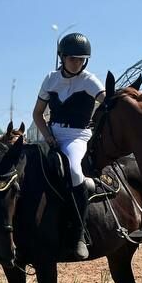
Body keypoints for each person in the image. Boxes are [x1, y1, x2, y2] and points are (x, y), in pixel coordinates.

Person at [32, 32, 104, 260]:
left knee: (73, 170)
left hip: (77, 136)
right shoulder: (50, 78)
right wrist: (48, 136)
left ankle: (79, 235)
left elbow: (107, 101)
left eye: (82, 59)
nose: (77, 63)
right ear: (62, 57)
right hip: (52, 134)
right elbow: (37, 114)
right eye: (73, 58)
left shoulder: (90, 80)